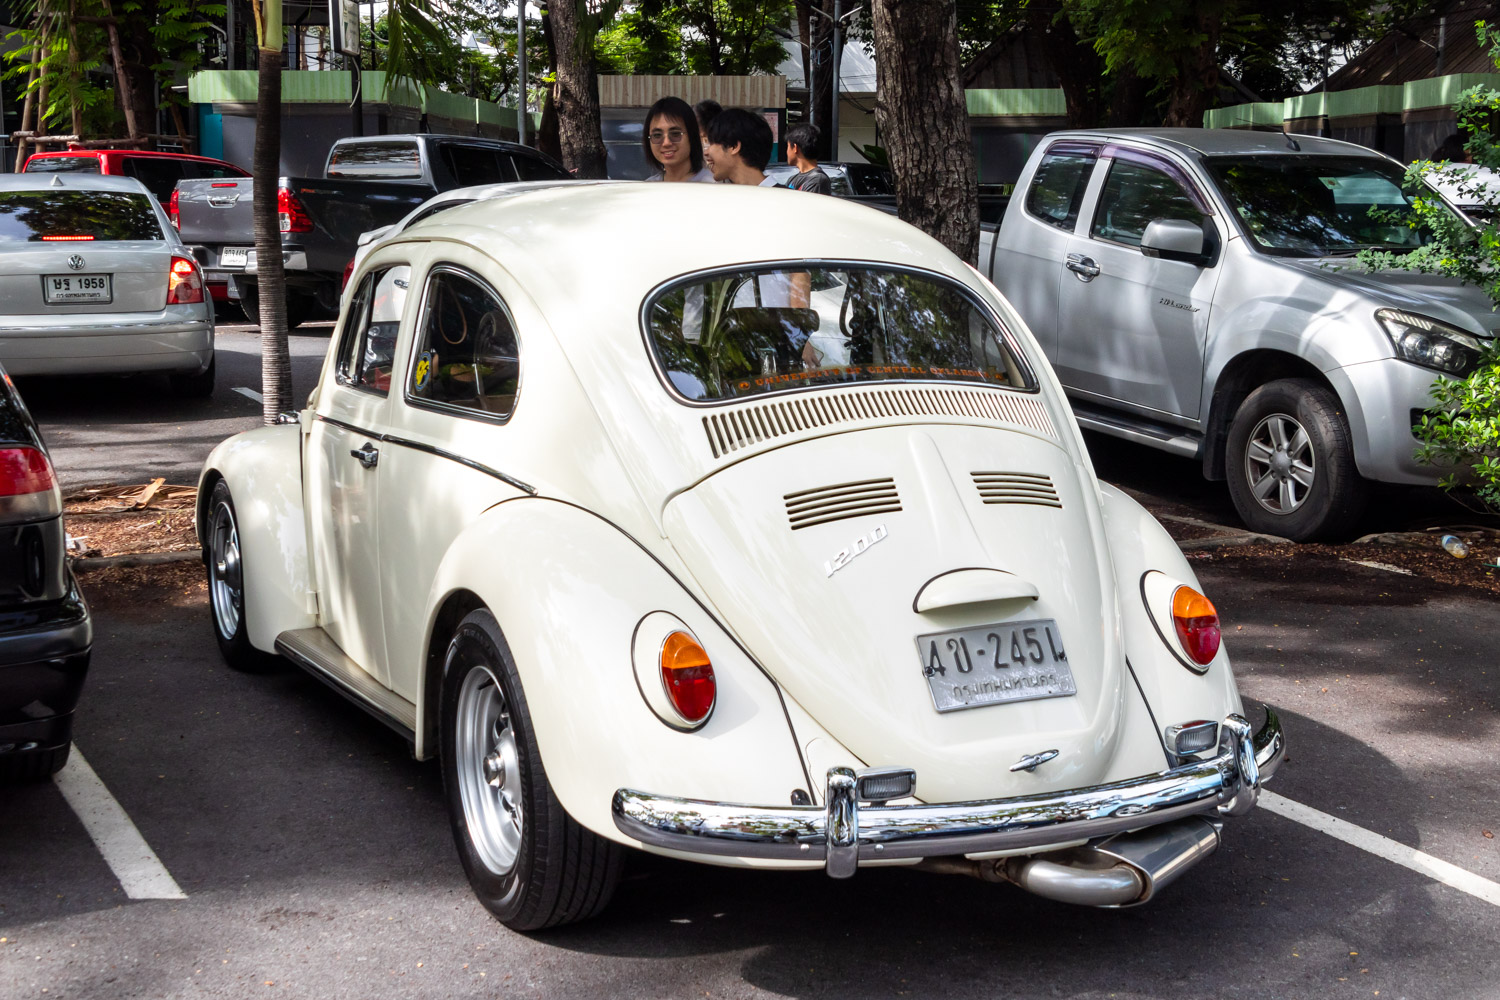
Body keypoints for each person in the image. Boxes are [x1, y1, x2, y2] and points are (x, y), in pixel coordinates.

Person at [641, 96, 714, 183]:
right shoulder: (648, 188)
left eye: (675, 134)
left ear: (692, 136)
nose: (666, 143)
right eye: (657, 135)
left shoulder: (711, 186)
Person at [703, 108, 781, 187]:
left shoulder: (785, 197)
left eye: (712, 143)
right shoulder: (727, 197)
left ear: (733, 146)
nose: (706, 152)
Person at [784, 123, 832, 195]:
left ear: (795, 148)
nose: (787, 152)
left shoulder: (817, 180)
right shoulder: (792, 179)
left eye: (787, 146)